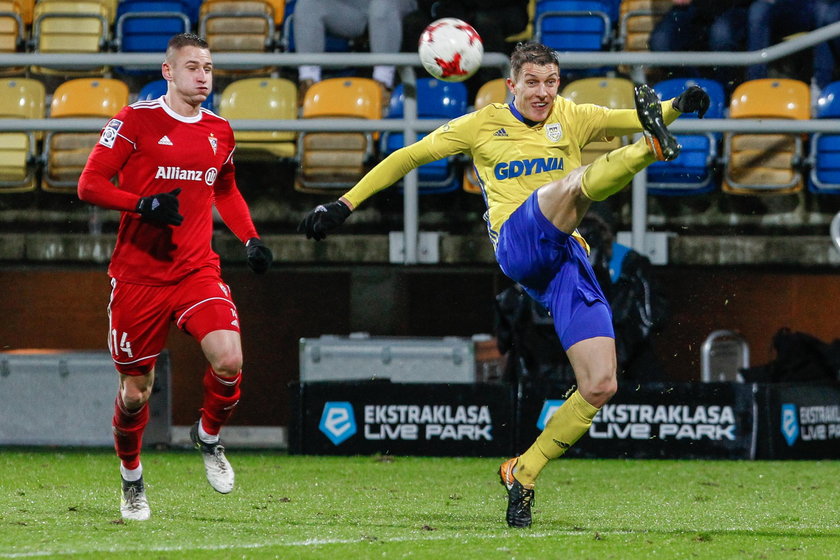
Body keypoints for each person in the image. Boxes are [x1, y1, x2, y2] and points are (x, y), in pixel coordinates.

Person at [298, 41, 710, 528]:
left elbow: (636, 113)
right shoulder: (480, 124)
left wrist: (680, 106)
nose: (542, 92)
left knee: (600, 384)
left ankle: (523, 471)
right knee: (576, 183)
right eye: (532, 83)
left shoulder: (572, 115)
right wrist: (343, 204)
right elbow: (406, 157)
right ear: (511, 85)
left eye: (551, 82)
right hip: (517, 242)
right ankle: (647, 151)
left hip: (564, 261)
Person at [77, 33, 274, 521]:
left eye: (208, 67)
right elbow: (89, 184)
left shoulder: (220, 131)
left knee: (229, 359)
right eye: (192, 67)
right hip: (138, 277)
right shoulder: (134, 121)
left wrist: (250, 238)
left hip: (195, 270)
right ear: (168, 72)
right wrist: (139, 203)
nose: (202, 76)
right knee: (135, 392)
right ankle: (131, 478)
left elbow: (225, 189)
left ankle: (207, 435)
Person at [293, 0, 417, 101]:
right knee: (308, 5)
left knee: (381, 5)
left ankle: (383, 84)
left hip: (396, 4)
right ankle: (309, 84)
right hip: (358, 7)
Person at [648, 0, 750, 93]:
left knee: (722, 36)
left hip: (732, 7)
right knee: (660, 41)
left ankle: (721, 94)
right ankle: (696, 88)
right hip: (691, 8)